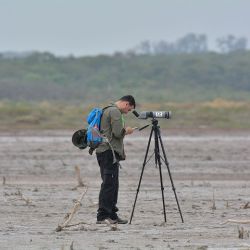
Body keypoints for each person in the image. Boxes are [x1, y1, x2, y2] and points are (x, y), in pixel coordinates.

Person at [96, 95, 136, 224]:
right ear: (126, 104)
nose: (128, 112)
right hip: (109, 152)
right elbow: (118, 132)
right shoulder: (115, 111)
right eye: (129, 109)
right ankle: (103, 216)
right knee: (109, 184)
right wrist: (127, 131)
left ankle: (112, 215)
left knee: (113, 184)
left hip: (104, 151)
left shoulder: (107, 109)